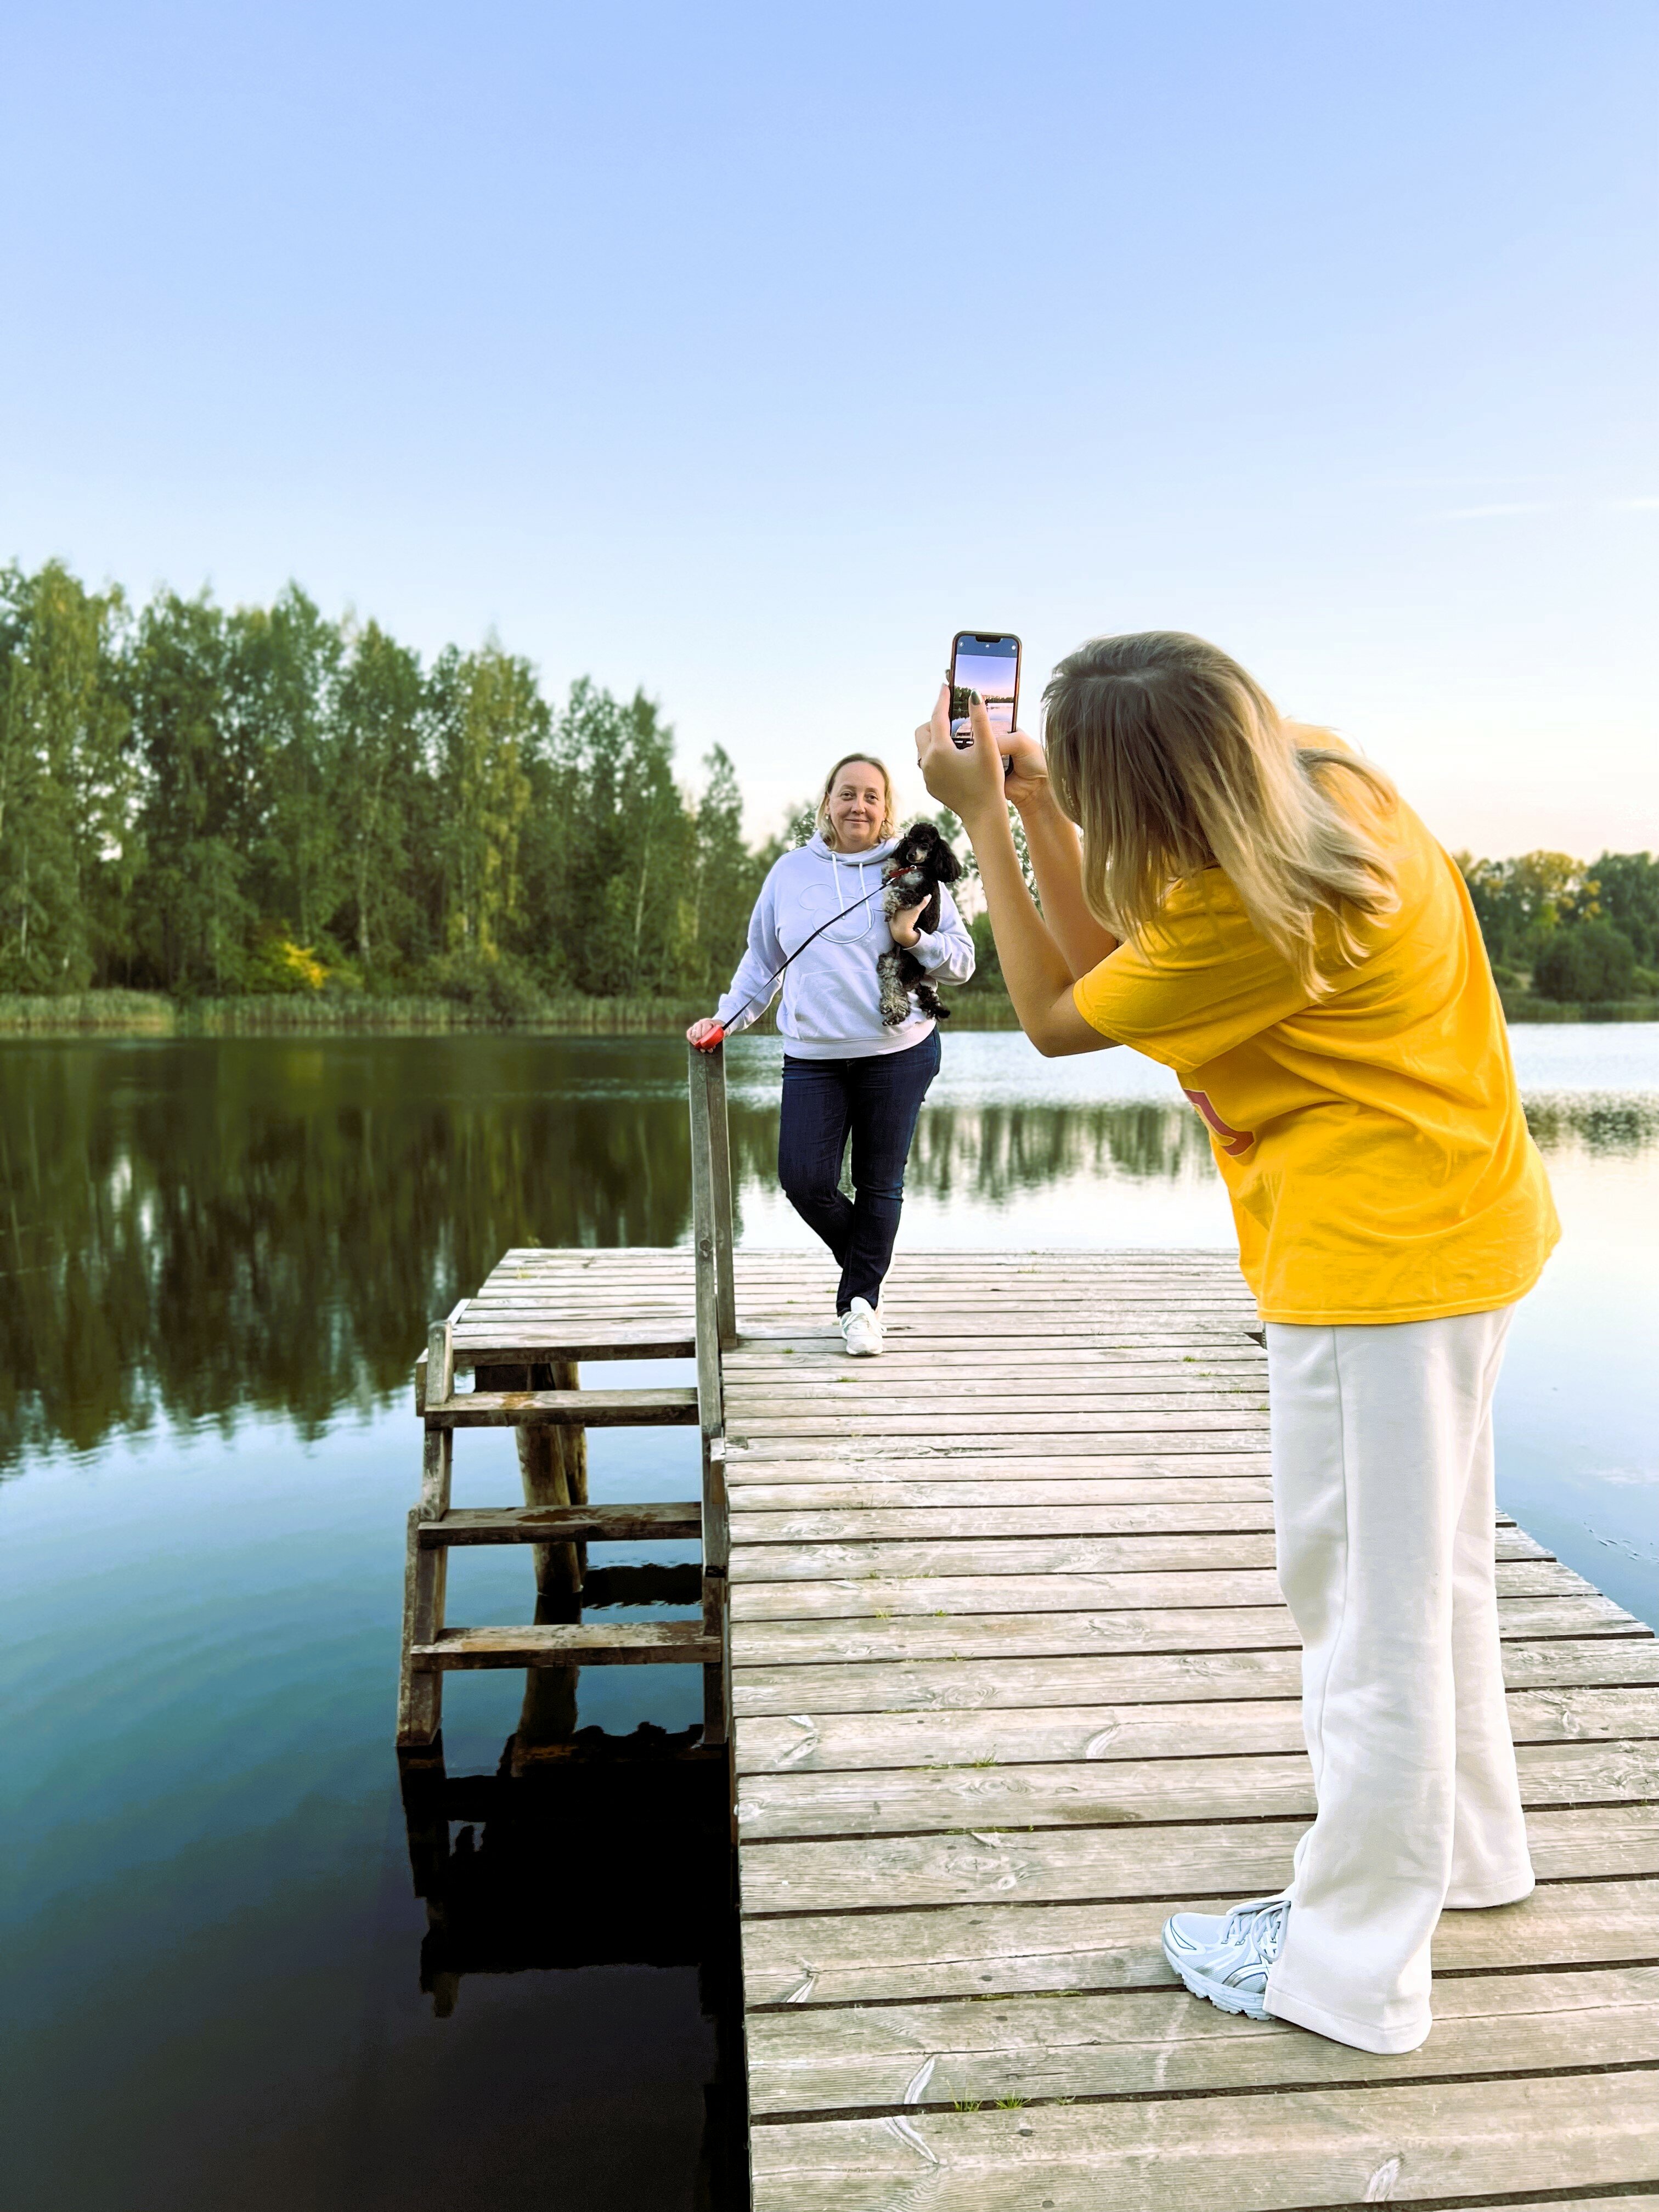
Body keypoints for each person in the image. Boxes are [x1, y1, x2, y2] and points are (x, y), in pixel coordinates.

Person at [915, 633, 1558, 2058]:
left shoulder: (1248, 925)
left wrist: (981, 819)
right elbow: (1130, 956)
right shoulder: (1334, 789)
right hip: (1475, 1231)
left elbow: (1055, 1009)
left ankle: (1350, 1971)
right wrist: (1034, 807)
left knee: (1361, 1629)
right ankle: (1467, 1859)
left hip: (1372, 1278)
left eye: (1088, 787)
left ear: (1142, 797)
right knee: (1439, 1587)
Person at [688, 752, 974, 1355]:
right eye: (847, 794)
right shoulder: (790, 873)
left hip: (899, 1050)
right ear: (827, 803)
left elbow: (963, 963)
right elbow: (762, 963)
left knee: (879, 1185)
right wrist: (725, 1019)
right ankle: (867, 1273)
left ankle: (859, 1306)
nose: (858, 806)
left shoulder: (914, 875)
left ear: (887, 808)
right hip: (814, 1055)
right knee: (804, 1179)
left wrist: (912, 938)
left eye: (871, 796)